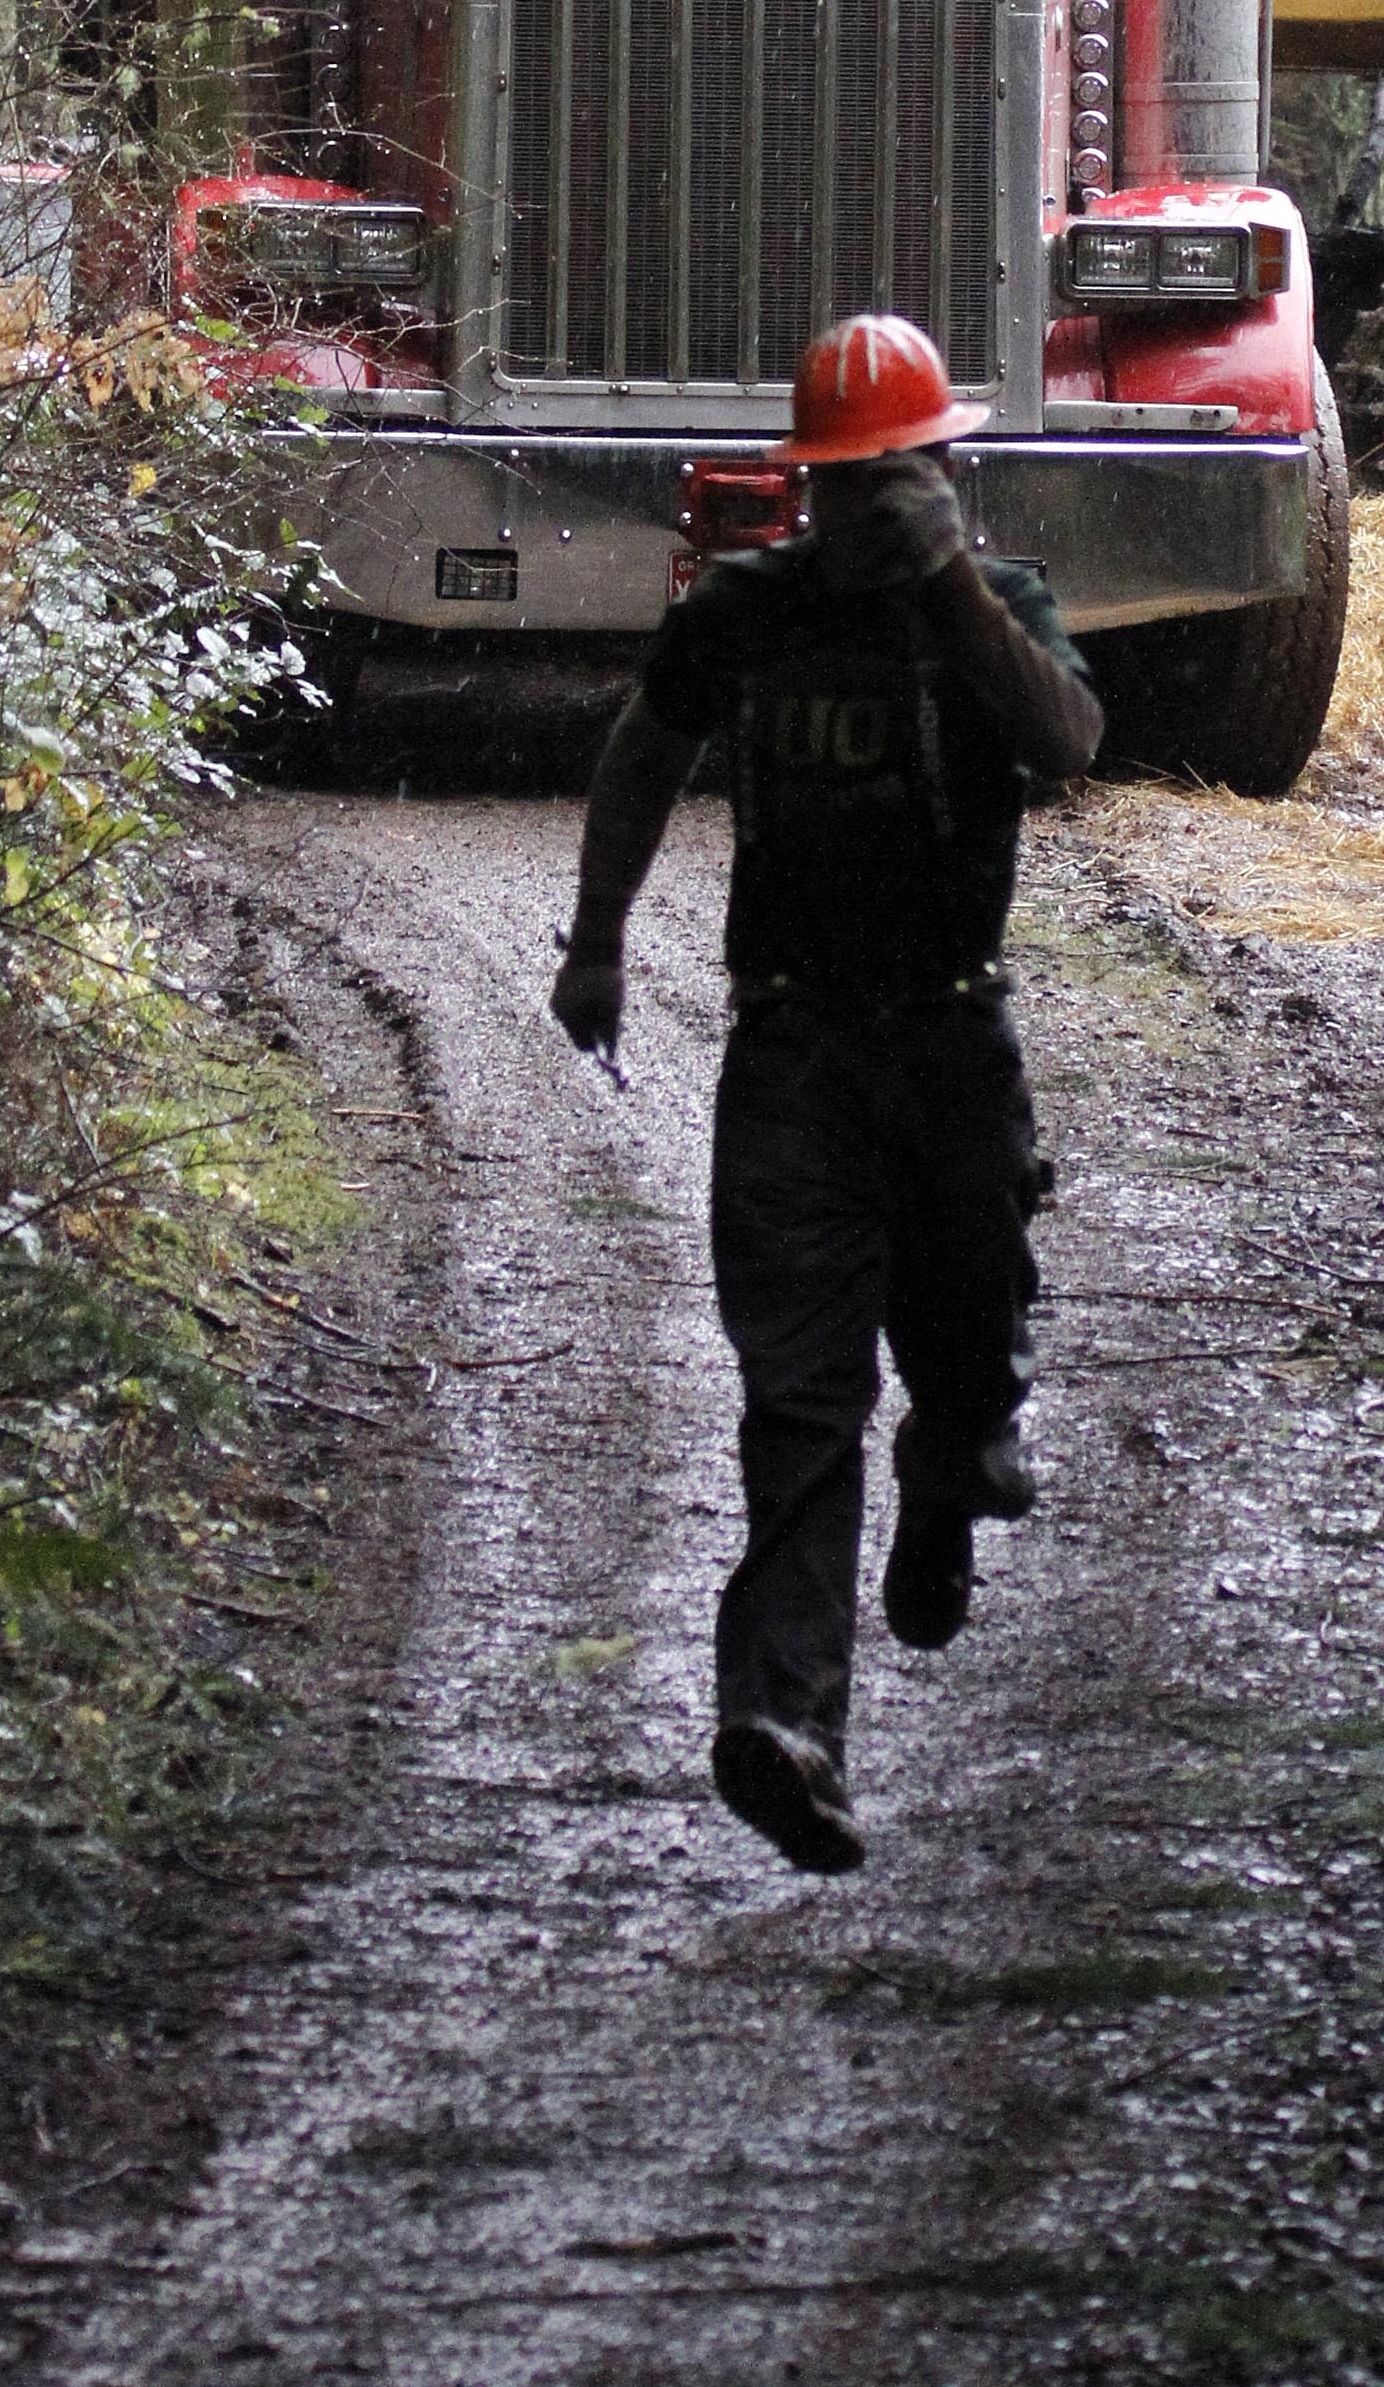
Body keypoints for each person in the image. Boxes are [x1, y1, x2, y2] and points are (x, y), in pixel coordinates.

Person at [549, 313, 1105, 1876]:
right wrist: (596, 944)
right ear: (804, 486)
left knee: (969, 1370)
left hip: (950, 1049)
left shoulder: (995, 605)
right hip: (792, 1053)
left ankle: (952, 1472)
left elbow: (1065, 743)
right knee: (799, 1402)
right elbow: (644, 757)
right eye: (843, 484)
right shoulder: (745, 611)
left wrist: (944, 587)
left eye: (894, 480)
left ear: (943, 473)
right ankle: (788, 1727)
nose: (866, 509)